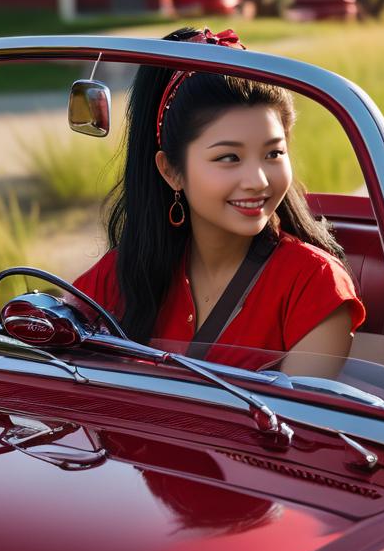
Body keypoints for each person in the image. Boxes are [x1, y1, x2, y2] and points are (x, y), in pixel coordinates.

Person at [74, 26, 364, 374]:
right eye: (229, 158)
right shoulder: (125, 272)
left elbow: (297, 426)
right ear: (171, 172)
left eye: (273, 153)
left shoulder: (315, 283)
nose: (257, 181)